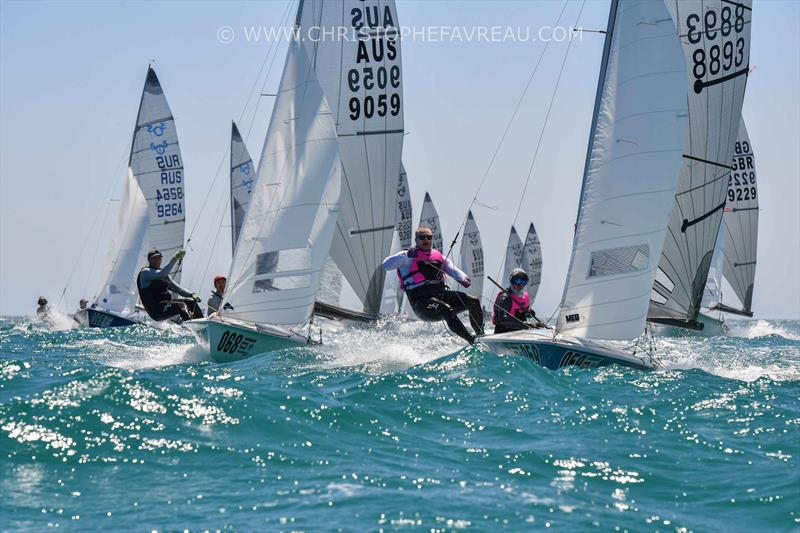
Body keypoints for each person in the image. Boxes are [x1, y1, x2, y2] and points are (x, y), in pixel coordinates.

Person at [382, 225, 484, 344]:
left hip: (441, 295)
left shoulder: (438, 256)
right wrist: (408, 254)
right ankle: (471, 339)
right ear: (416, 240)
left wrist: (463, 278)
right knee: (446, 309)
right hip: (421, 303)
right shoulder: (407, 256)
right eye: (422, 237)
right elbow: (386, 265)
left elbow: (452, 269)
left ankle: (481, 335)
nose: (426, 239)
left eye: (429, 237)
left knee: (473, 301)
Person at [136, 249, 203, 322]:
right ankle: (190, 326)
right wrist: (174, 258)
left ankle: (203, 323)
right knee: (181, 305)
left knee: (191, 302)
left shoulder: (164, 275)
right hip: (156, 310)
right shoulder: (145, 272)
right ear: (149, 260)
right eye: (154, 258)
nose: (157, 260)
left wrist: (191, 294)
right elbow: (162, 274)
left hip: (165, 305)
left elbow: (178, 290)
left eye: (159, 258)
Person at [492, 268, 544, 334]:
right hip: (503, 333)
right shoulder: (505, 298)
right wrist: (530, 325)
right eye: (517, 281)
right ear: (511, 281)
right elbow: (504, 320)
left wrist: (528, 312)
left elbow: (521, 313)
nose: (520, 285)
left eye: (523, 281)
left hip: (520, 333)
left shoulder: (525, 296)